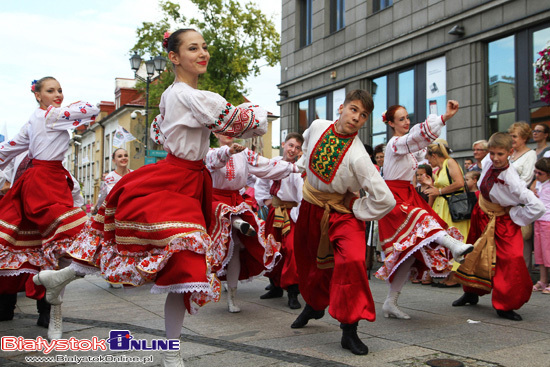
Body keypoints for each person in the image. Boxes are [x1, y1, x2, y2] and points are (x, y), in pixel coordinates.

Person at [33, 28, 267, 367]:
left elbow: (176, 133)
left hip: (189, 180)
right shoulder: (190, 95)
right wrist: (252, 110)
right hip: (174, 181)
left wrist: (215, 146)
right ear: (174, 58)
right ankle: (170, 353)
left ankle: (63, 277)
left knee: (161, 257)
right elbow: (247, 123)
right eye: (192, 48)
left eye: (203, 47)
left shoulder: (176, 95)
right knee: (178, 256)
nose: (202, 53)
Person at [290, 89, 395, 356]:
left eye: (363, 115)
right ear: (342, 108)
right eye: (354, 109)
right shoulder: (317, 126)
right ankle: (314, 305)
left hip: (341, 212)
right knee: (308, 261)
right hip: (311, 205)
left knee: (352, 262)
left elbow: (385, 199)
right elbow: (305, 147)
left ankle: (350, 329)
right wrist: (304, 168)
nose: (357, 117)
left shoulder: (360, 157)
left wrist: (357, 206)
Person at [0, 77, 99, 339]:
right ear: (38, 95)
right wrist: (72, 106)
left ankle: (52, 307)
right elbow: (92, 109)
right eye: (50, 90)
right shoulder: (53, 115)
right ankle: (48, 303)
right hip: (43, 183)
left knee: (56, 248)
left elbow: (9, 148)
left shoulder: (36, 119)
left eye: (60, 90)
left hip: (50, 180)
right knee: (79, 237)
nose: (57, 94)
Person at [375, 101, 473, 321]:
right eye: (401, 119)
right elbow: (415, 139)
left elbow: (421, 147)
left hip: (406, 194)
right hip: (394, 198)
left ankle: (390, 302)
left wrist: (429, 179)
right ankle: (455, 246)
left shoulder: (407, 150)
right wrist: (443, 118)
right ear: (390, 123)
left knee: (408, 255)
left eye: (407, 118)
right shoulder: (394, 144)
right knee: (423, 219)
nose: (406, 122)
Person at [452, 133, 545, 321]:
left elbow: (538, 207)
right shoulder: (488, 161)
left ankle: (506, 304)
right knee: (474, 253)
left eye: (500, 154)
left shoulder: (513, 180)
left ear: (510, 152)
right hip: (481, 212)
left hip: (503, 221)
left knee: (511, 259)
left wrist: (515, 215)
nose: (495, 158)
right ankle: (471, 292)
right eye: (492, 153)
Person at [206, 133, 297, 313]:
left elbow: (265, 165)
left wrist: (295, 167)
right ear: (216, 133)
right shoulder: (209, 151)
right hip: (216, 203)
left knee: (236, 251)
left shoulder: (244, 154)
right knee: (219, 245)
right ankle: (238, 223)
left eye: (232, 131)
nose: (228, 134)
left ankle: (232, 298)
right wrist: (228, 151)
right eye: (224, 130)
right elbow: (214, 161)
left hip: (236, 202)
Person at [255, 132, 304, 309]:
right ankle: (275, 285)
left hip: (290, 214)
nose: (293, 150)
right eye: (291, 145)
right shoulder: (273, 163)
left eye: (297, 148)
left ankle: (293, 291)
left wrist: (295, 216)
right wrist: (265, 200)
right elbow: (261, 182)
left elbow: (302, 195)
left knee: (290, 249)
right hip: (274, 212)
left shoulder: (298, 169)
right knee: (271, 247)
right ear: (283, 144)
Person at [425, 140, 471, 240]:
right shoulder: (438, 170)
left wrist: (439, 191)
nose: (428, 162)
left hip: (452, 208)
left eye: (428, 158)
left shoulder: (449, 162)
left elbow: (459, 183)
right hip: (441, 208)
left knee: (454, 238)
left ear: (434, 155)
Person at [92, 148, 132, 214]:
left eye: (126, 155)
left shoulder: (134, 174)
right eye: (120, 156)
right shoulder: (110, 177)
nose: (124, 158)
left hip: (132, 210)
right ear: (114, 160)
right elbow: (113, 196)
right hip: (116, 212)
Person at [532, 158, 550, 294]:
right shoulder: (538, 184)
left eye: (540, 173)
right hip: (538, 220)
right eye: (535, 173)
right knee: (540, 253)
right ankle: (543, 280)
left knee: (548, 252)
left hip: (548, 221)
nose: (537, 176)